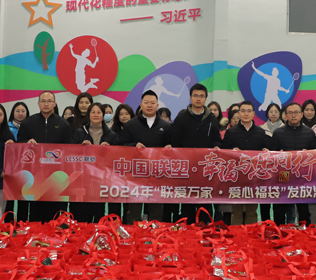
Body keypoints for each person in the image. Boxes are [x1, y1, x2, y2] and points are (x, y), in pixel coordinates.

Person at [17, 91, 74, 222]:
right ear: (38, 104)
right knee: (35, 211)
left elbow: (68, 148)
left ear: (54, 104)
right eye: (43, 101)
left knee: (55, 211)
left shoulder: (63, 124)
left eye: (49, 101)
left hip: (56, 175)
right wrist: (27, 143)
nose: (46, 104)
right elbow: (19, 145)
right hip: (34, 175)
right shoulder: (28, 123)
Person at [118, 90, 172, 223]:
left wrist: (169, 148)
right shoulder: (131, 125)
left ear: (157, 105)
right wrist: (133, 145)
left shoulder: (165, 126)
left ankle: (155, 234)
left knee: (156, 209)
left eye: (152, 103)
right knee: (134, 210)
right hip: (135, 174)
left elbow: (172, 146)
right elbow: (121, 145)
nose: (149, 105)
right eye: (146, 102)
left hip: (157, 174)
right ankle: (133, 234)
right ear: (141, 105)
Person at [170, 84, 222, 223]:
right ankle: (187, 232)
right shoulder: (182, 117)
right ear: (191, 97)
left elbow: (217, 139)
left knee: (205, 202)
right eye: (195, 96)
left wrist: (217, 146)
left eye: (201, 96)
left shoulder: (212, 119)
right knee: (187, 202)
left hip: (206, 169)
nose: (198, 99)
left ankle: (204, 230)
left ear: (205, 98)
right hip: (187, 168)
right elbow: (175, 140)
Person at [221, 101, 271, 225]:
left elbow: (265, 150)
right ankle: (237, 235)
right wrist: (231, 151)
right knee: (236, 211)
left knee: (251, 211)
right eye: (243, 111)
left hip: (253, 177)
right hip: (236, 177)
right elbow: (223, 152)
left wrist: (265, 150)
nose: (246, 114)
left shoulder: (260, 132)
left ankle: (251, 234)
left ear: (253, 113)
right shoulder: (231, 132)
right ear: (239, 113)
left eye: (249, 111)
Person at [272, 102, 316, 225]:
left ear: (301, 114)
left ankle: (305, 232)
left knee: (303, 209)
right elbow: (271, 156)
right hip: (283, 174)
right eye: (290, 113)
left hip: (302, 174)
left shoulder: (309, 133)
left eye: (296, 112)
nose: (293, 115)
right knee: (280, 208)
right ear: (285, 115)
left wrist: (307, 154)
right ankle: (279, 231)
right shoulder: (278, 133)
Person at [71, 103, 118, 222]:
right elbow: (70, 154)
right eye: (93, 112)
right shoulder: (80, 132)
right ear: (89, 115)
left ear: (103, 115)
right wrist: (80, 147)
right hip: (82, 179)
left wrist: (109, 149)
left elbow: (117, 156)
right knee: (82, 215)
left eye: (99, 112)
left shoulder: (111, 135)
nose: (96, 115)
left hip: (101, 180)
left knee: (99, 214)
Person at [4, 101, 31, 220]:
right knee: (9, 197)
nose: (20, 113)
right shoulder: (6, 127)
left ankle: (22, 223)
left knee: (24, 196)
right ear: (13, 112)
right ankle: (8, 224)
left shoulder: (31, 127)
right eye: (17, 111)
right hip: (9, 167)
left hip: (26, 168)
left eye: (23, 111)